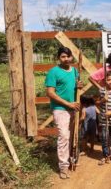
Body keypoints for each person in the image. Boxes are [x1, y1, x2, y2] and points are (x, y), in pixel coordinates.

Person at [45, 47, 82, 179]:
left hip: (74, 108)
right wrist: (67, 104)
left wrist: (79, 86)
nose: (66, 59)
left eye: (68, 56)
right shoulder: (53, 72)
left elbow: (76, 87)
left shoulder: (75, 71)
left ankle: (72, 158)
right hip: (60, 109)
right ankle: (63, 166)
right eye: (63, 56)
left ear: (72, 57)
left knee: (73, 135)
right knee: (64, 136)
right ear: (58, 58)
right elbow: (50, 92)